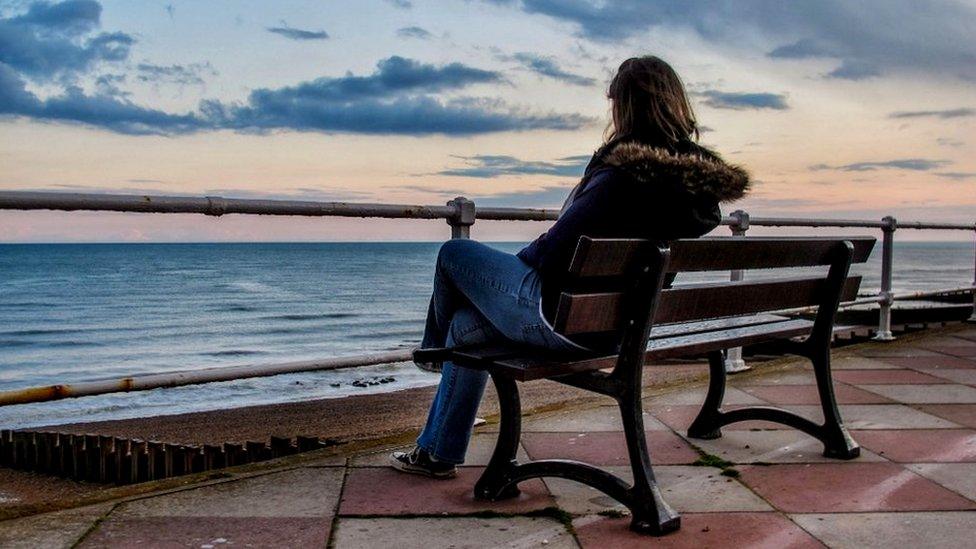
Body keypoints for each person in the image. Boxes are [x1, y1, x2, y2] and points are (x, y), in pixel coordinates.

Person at [392, 56, 750, 478]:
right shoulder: (695, 195)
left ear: (623, 106)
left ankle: (431, 353)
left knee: (454, 255)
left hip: (562, 320)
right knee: (466, 328)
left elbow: (553, 252)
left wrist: (523, 260)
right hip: (620, 330)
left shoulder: (620, 175)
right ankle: (437, 453)